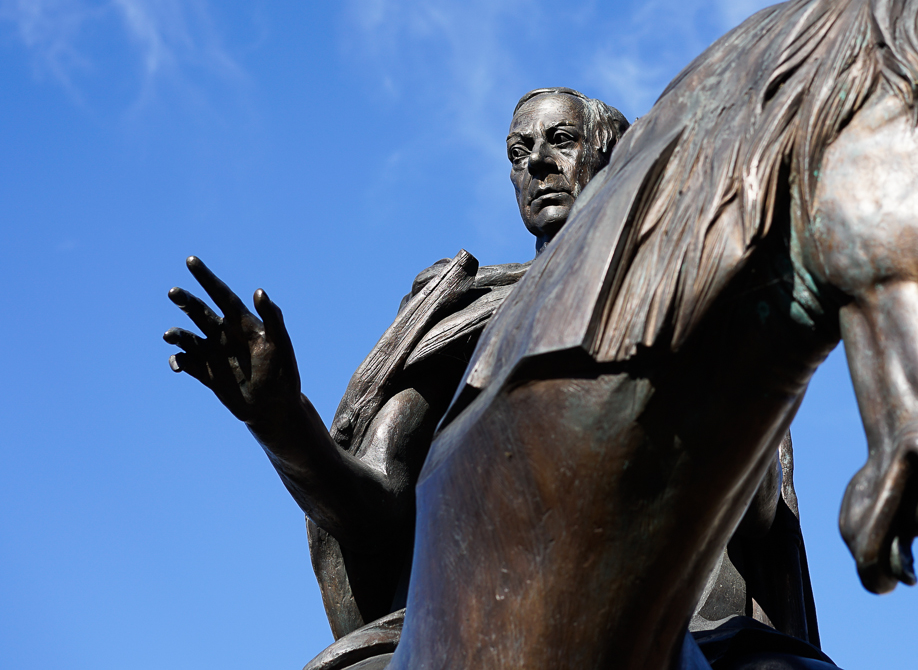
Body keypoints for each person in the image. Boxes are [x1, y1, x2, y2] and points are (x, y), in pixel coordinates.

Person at [164, 87, 826, 669]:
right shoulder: (468, 314)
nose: (535, 162)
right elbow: (376, 502)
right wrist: (280, 419)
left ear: (615, 161)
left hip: (691, 625)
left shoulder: (699, 304)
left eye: (560, 140)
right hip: (467, 613)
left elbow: (757, 504)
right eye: (517, 151)